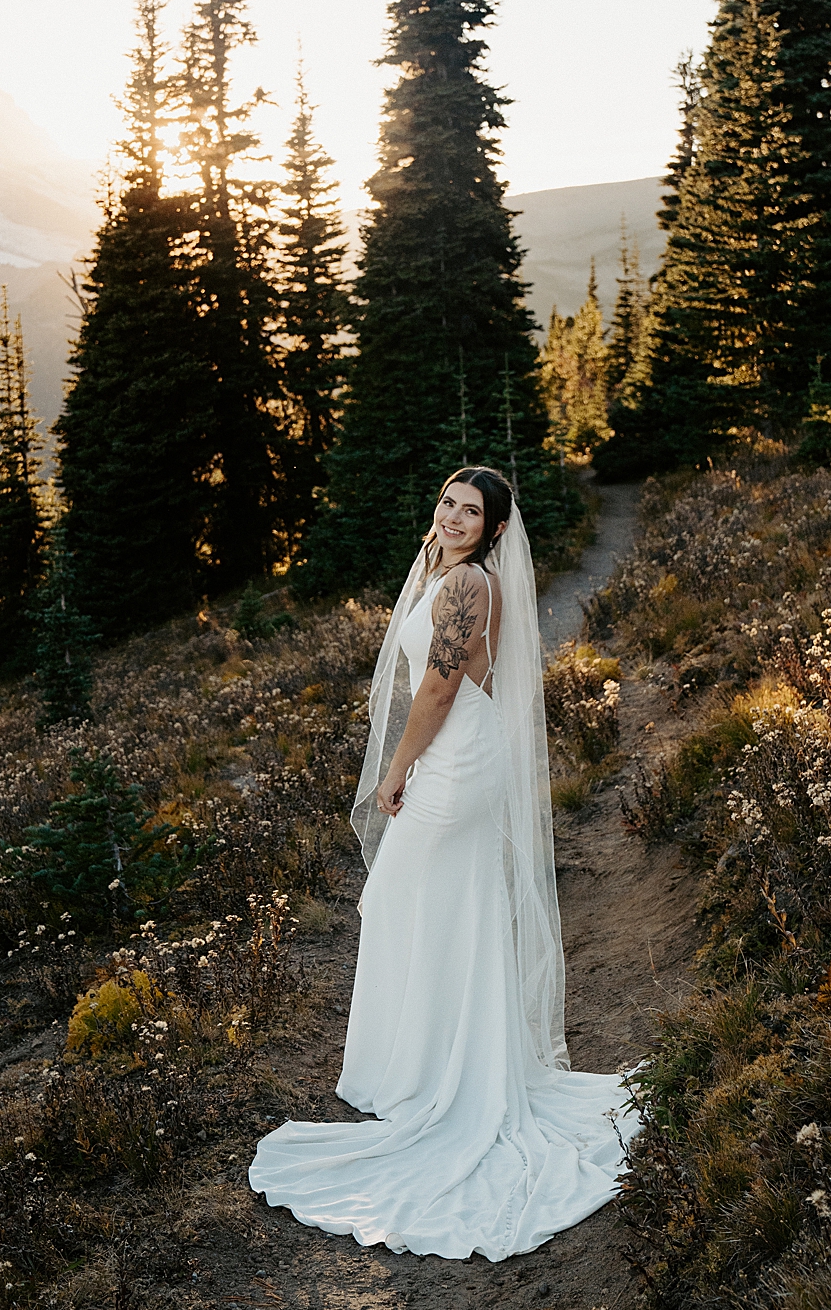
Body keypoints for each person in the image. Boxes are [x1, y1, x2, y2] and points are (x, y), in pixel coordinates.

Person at [249, 466, 638, 1260]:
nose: (455, 517)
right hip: (460, 752)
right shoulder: (450, 572)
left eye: (473, 511)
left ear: (497, 529)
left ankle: (439, 1080)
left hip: (455, 761)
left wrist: (397, 772)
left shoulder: (468, 587)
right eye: (448, 504)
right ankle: (432, 1066)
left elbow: (437, 687)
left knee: (405, 900)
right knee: (442, 906)